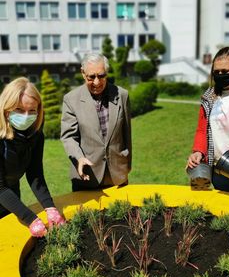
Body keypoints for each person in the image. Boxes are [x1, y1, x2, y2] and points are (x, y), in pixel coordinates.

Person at [0, 77, 65, 237]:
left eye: (32, 111)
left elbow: (35, 174)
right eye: (20, 110)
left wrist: (50, 208)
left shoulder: (35, 136)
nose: (26, 116)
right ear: (6, 109)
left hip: (10, 195)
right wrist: (31, 219)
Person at [61, 52, 132, 190]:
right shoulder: (71, 100)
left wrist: (127, 164)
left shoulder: (122, 95)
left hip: (118, 175)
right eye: (91, 77)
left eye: (101, 76)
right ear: (83, 73)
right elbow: (69, 137)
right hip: (87, 176)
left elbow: (127, 134)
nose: (97, 82)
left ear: (107, 73)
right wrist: (79, 158)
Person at [187, 46, 229, 195]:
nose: (220, 75)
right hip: (219, 171)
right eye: (216, 72)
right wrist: (198, 152)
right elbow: (202, 130)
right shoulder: (209, 97)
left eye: (225, 72)